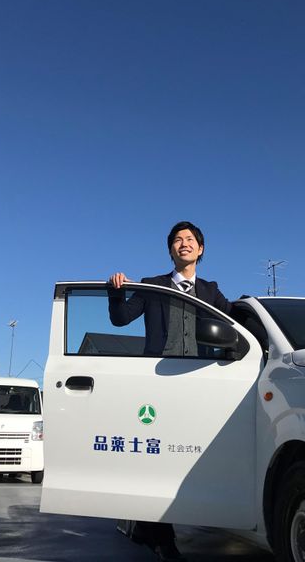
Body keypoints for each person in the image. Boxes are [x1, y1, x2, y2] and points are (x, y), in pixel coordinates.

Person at [107, 220, 231, 562]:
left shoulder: (210, 291)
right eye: (177, 239)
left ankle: (147, 526)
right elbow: (120, 319)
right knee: (157, 458)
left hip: (200, 384)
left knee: (188, 454)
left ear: (200, 249)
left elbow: (233, 319)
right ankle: (163, 538)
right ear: (170, 250)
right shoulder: (152, 286)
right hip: (158, 383)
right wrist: (116, 291)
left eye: (190, 239)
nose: (183, 243)